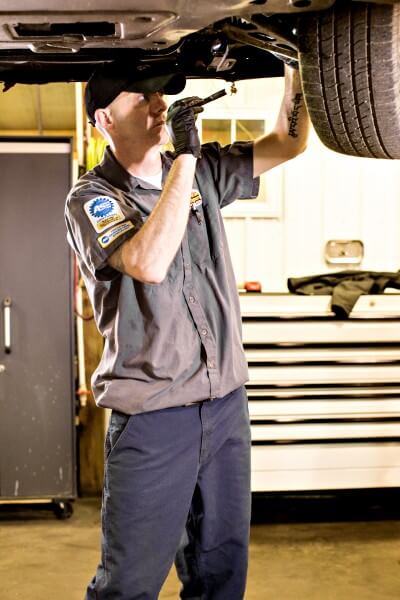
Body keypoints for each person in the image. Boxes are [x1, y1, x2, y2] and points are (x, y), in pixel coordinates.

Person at [65, 59, 309, 600]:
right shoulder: (92, 198)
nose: (157, 106)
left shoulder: (196, 172)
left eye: (160, 95)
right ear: (104, 118)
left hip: (224, 408)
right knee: (127, 585)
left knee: (221, 577)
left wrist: (301, 66)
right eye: (140, 97)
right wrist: (186, 162)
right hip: (154, 418)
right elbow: (147, 261)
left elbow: (285, 144)